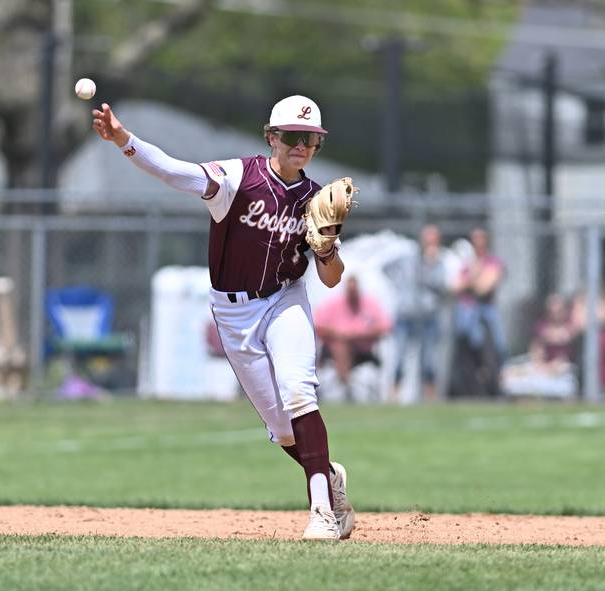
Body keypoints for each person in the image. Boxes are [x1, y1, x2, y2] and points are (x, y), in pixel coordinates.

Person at [92, 95, 354, 540]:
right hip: (234, 314)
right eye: (292, 136)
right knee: (282, 429)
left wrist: (327, 248)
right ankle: (329, 475)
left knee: (298, 392)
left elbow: (331, 279)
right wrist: (124, 141)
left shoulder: (315, 198)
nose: (302, 146)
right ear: (271, 137)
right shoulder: (238, 178)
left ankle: (323, 512)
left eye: (310, 138)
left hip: (286, 299)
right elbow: (175, 171)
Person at [386, 224, 447, 402]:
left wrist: (430, 264)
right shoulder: (407, 258)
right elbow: (388, 269)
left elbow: (439, 285)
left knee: (429, 359)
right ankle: (394, 394)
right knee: (400, 356)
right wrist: (400, 290)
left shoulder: (438, 262)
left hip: (428, 316)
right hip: (406, 314)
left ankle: (431, 396)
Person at [313, 275, 393, 401]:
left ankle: (346, 384)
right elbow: (317, 324)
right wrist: (337, 333)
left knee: (343, 344)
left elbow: (385, 326)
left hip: (362, 350)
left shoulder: (370, 303)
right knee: (340, 345)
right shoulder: (333, 304)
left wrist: (359, 334)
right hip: (335, 349)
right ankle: (346, 385)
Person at [449, 227, 506, 398]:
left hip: (486, 315)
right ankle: (469, 391)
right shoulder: (467, 264)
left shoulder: (493, 261)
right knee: (467, 353)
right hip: (466, 314)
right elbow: (455, 287)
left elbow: (483, 288)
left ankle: (494, 390)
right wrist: (474, 276)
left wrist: (471, 280)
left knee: (492, 352)